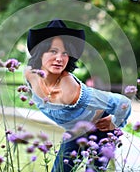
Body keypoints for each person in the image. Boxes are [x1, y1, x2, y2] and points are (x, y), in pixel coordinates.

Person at [24, 19, 131, 172]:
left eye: (65, 53)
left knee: (93, 170)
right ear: (40, 53)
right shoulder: (30, 75)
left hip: (100, 130)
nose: (59, 58)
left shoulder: (70, 91)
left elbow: (123, 102)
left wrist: (116, 122)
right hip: (75, 130)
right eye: (53, 51)